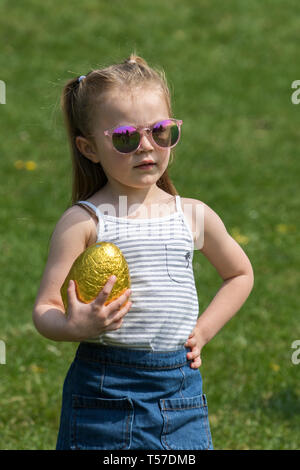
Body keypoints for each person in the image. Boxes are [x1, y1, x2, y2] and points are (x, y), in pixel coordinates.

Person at [32, 54, 254, 450]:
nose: (146, 146)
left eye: (161, 132)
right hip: (104, 386)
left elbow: (239, 274)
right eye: (125, 137)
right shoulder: (85, 221)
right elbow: (45, 307)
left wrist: (202, 331)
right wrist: (72, 327)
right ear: (89, 148)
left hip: (179, 387)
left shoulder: (192, 215)